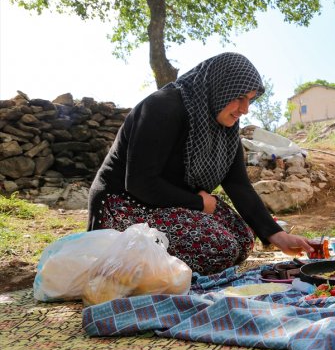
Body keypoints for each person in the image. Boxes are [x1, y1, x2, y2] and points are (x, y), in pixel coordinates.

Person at [88, 52, 313, 275]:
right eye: (240, 97)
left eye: (250, 99)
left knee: (242, 238)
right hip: (123, 202)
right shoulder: (163, 107)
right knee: (220, 249)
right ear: (220, 87)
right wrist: (196, 202)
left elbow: (238, 184)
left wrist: (277, 235)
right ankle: (126, 261)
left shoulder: (226, 126)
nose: (245, 109)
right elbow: (140, 182)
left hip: (171, 202)